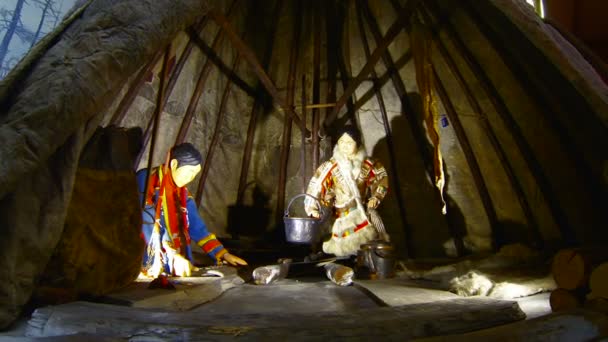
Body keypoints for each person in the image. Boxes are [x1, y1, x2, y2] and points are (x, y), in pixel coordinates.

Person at [136, 143, 247, 277]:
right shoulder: (147, 180)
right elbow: (147, 222)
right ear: (174, 164)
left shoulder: (183, 194)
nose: (191, 178)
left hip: (180, 264)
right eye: (189, 172)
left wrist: (223, 254)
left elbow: (196, 227)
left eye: (195, 174)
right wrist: (171, 255)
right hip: (151, 263)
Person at [304, 125, 389, 257]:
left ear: (357, 143)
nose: (345, 146)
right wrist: (312, 208)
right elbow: (315, 185)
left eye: (349, 142)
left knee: (369, 243)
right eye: (342, 142)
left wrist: (376, 197)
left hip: (362, 212)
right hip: (340, 214)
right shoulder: (330, 166)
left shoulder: (369, 164)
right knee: (341, 248)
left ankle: (370, 261)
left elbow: (381, 178)